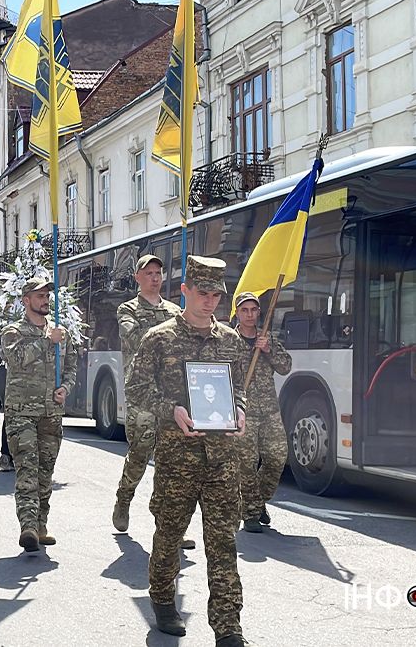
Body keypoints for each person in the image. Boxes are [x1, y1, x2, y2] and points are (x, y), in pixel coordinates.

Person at [126, 255, 248, 643]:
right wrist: (171, 410)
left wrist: (240, 409)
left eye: (216, 295)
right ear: (185, 291)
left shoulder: (229, 340)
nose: (209, 301)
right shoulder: (159, 338)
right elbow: (135, 389)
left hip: (222, 460)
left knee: (223, 543)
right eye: (202, 293)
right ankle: (163, 598)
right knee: (169, 534)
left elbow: (238, 388)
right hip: (178, 458)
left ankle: (228, 627)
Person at [1, 277, 78, 552]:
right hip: (21, 412)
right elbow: (16, 358)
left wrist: (65, 388)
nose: (45, 300)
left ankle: (41, 524)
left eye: (47, 295)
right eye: (39, 296)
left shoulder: (61, 333)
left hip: (51, 413)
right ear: (26, 301)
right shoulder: (13, 331)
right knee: (27, 470)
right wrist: (47, 341)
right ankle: (28, 527)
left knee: (46, 473)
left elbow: (71, 366)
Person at [112, 254, 182, 537]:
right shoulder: (127, 309)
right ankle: (124, 498)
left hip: (172, 394)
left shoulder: (176, 311)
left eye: (158, 273)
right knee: (140, 453)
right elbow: (135, 338)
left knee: (171, 460)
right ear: (137, 277)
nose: (155, 277)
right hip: (142, 392)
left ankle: (169, 525)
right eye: (149, 272)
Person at [232, 291, 292, 534]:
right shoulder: (228, 341)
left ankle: (256, 502)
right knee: (246, 463)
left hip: (269, 410)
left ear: (259, 312)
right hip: (243, 410)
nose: (249, 315)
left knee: (277, 457)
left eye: (253, 310)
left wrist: (268, 350)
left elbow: (286, 366)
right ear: (237, 313)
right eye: (244, 310)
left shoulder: (267, 338)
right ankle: (250, 514)